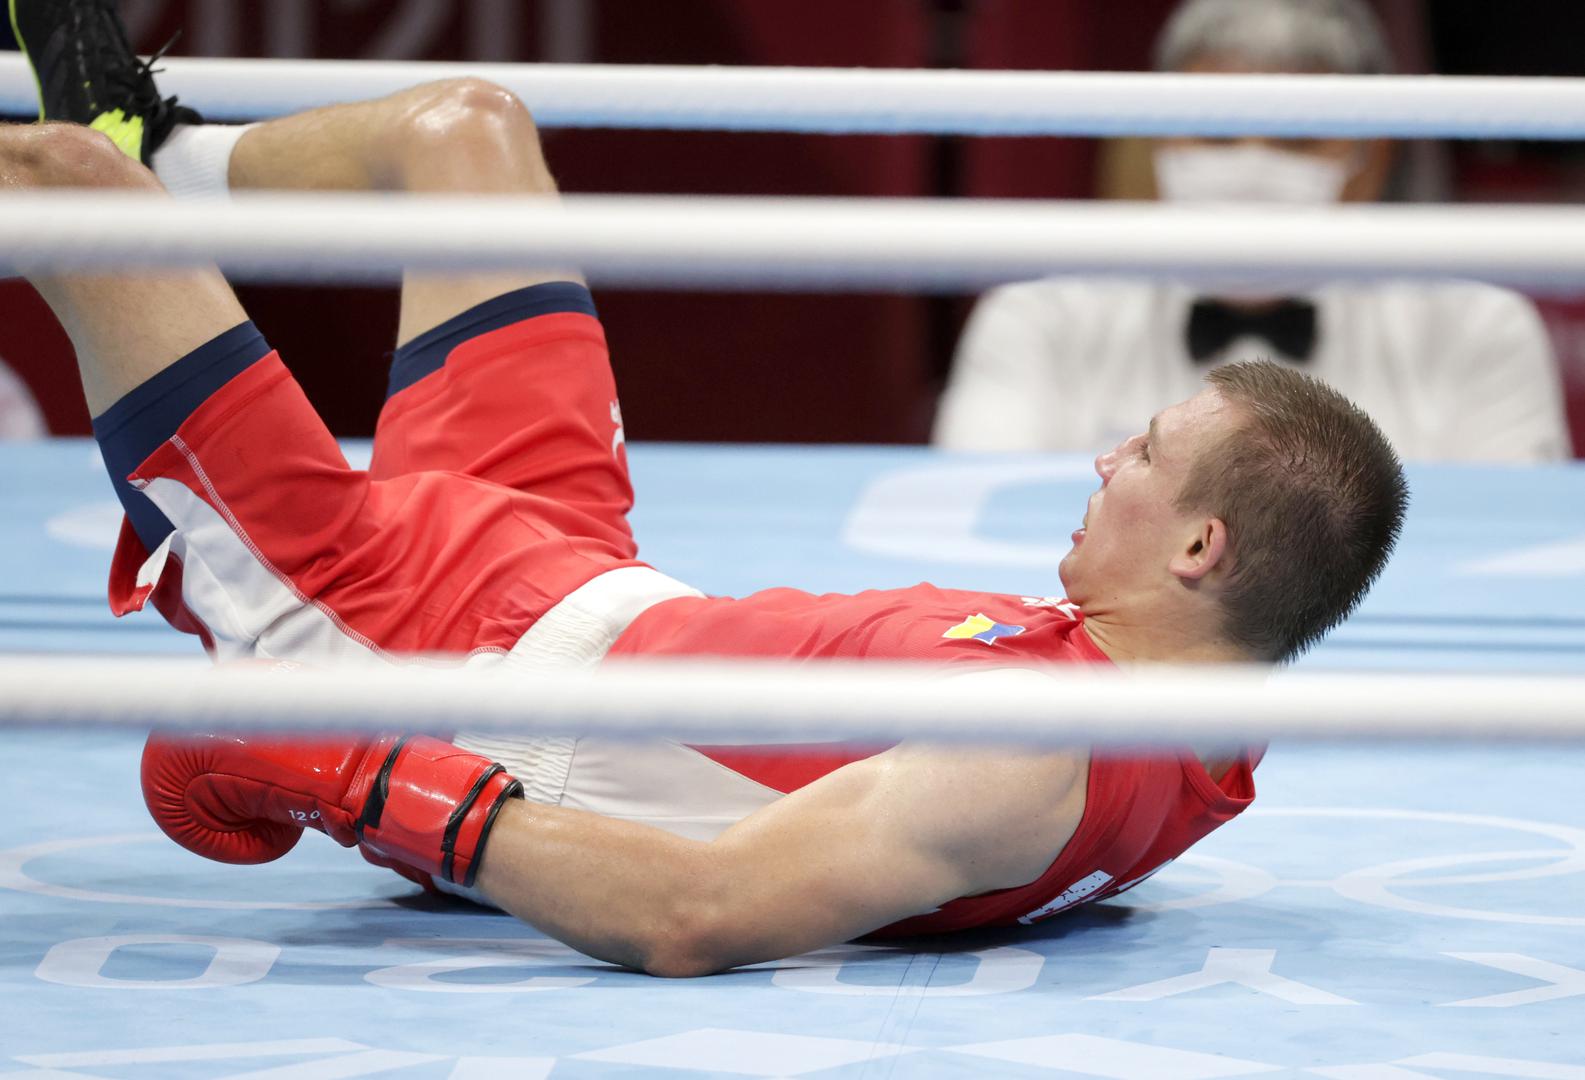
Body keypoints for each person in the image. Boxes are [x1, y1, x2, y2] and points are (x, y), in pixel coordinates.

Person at [8, 0, 1407, 977]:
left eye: (1147, 458)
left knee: (59, 184)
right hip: (569, 561)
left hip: (406, 643)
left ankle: (111, 171)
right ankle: (163, 152)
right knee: (463, 130)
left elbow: (693, 909)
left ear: (1202, 550)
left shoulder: (1029, 751)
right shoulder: (1198, 715)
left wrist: (342, 764)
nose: (1107, 460)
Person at [934, 0, 1571, 463]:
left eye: (1296, 137)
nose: (1250, 160)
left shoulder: (1480, 328)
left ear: (1368, 160)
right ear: (1156, 139)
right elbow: (972, 542)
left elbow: (1503, 557)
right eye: (1214, 132)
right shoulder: (1037, 319)